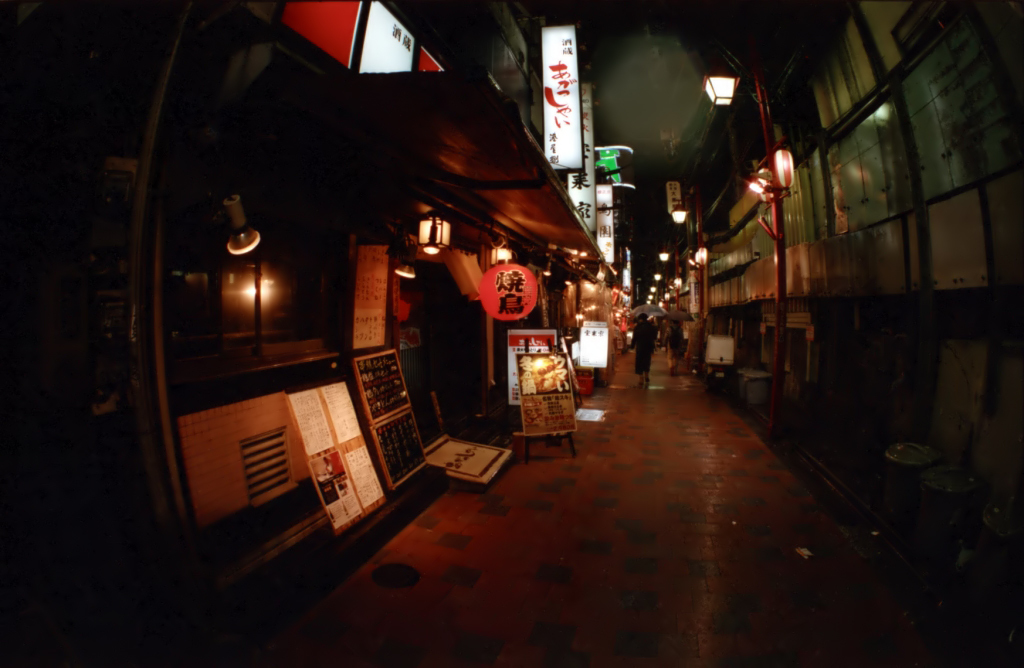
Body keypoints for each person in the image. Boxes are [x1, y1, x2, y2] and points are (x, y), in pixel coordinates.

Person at [630, 313, 658, 387]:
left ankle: (641, 379)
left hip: (640, 346)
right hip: (648, 347)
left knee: (639, 361)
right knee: (647, 361)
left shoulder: (637, 327)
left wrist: (632, 346)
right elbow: (654, 337)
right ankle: (646, 375)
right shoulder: (651, 327)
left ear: (640, 319)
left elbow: (634, 337)